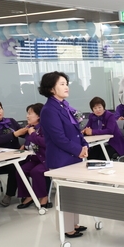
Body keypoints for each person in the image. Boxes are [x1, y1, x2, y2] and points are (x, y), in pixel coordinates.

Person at [39, 72, 88, 238]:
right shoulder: (48, 110)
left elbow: (76, 130)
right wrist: (78, 149)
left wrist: (84, 144)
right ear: (51, 88)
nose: (66, 86)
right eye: (61, 84)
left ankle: (74, 223)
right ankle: (67, 228)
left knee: (73, 192)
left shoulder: (64, 106)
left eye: (66, 83)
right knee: (65, 195)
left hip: (73, 157)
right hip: (61, 158)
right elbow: (58, 137)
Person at [0, 99, 27, 207]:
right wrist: (15, 134)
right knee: (13, 167)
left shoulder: (11, 121)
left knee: (15, 166)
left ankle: (9, 194)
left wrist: (27, 141)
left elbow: (23, 134)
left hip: (15, 156)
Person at [15, 103, 48, 209]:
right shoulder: (30, 128)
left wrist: (33, 134)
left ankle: (44, 197)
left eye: (30, 113)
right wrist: (24, 146)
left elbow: (45, 143)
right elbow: (30, 144)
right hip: (34, 159)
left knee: (36, 172)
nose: (27, 116)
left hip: (46, 159)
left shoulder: (45, 128)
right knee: (20, 171)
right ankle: (29, 195)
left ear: (38, 115)